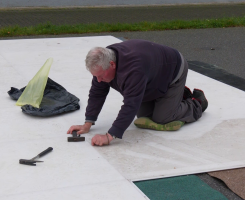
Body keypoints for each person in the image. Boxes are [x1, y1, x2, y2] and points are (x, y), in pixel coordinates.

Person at [67, 39, 207, 146]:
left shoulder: (133, 69)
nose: (98, 80)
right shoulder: (103, 61)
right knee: (144, 114)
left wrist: (110, 136)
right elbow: (97, 93)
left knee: (163, 117)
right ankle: (176, 96)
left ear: (112, 64)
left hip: (173, 70)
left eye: (100, 76)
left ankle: (196, 103)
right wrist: (87, 124)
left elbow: (130, 104)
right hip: (153, 77)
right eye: (95, 76)